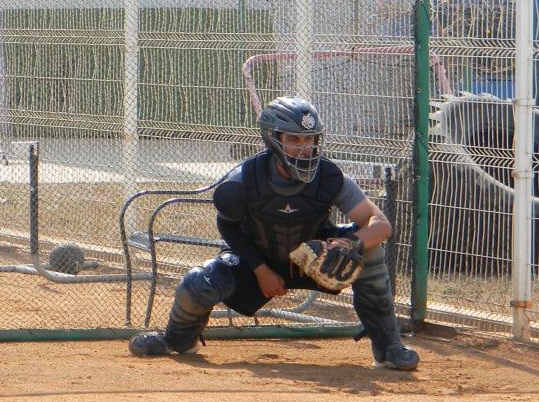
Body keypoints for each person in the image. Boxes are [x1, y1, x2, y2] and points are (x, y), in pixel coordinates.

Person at [128, 96, 419, 371]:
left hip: (313, 261)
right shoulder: (243, 180)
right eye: (293, 139)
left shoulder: (331, 177)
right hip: (257, 259)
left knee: (369, 249)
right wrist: (260, 269)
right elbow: (228, 226)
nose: (303, 148)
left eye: (309, 140)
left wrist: (348, 243)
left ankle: (389, 349)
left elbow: (380, 224)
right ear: (273, 139)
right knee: (198, 283)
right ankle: (176, 340)